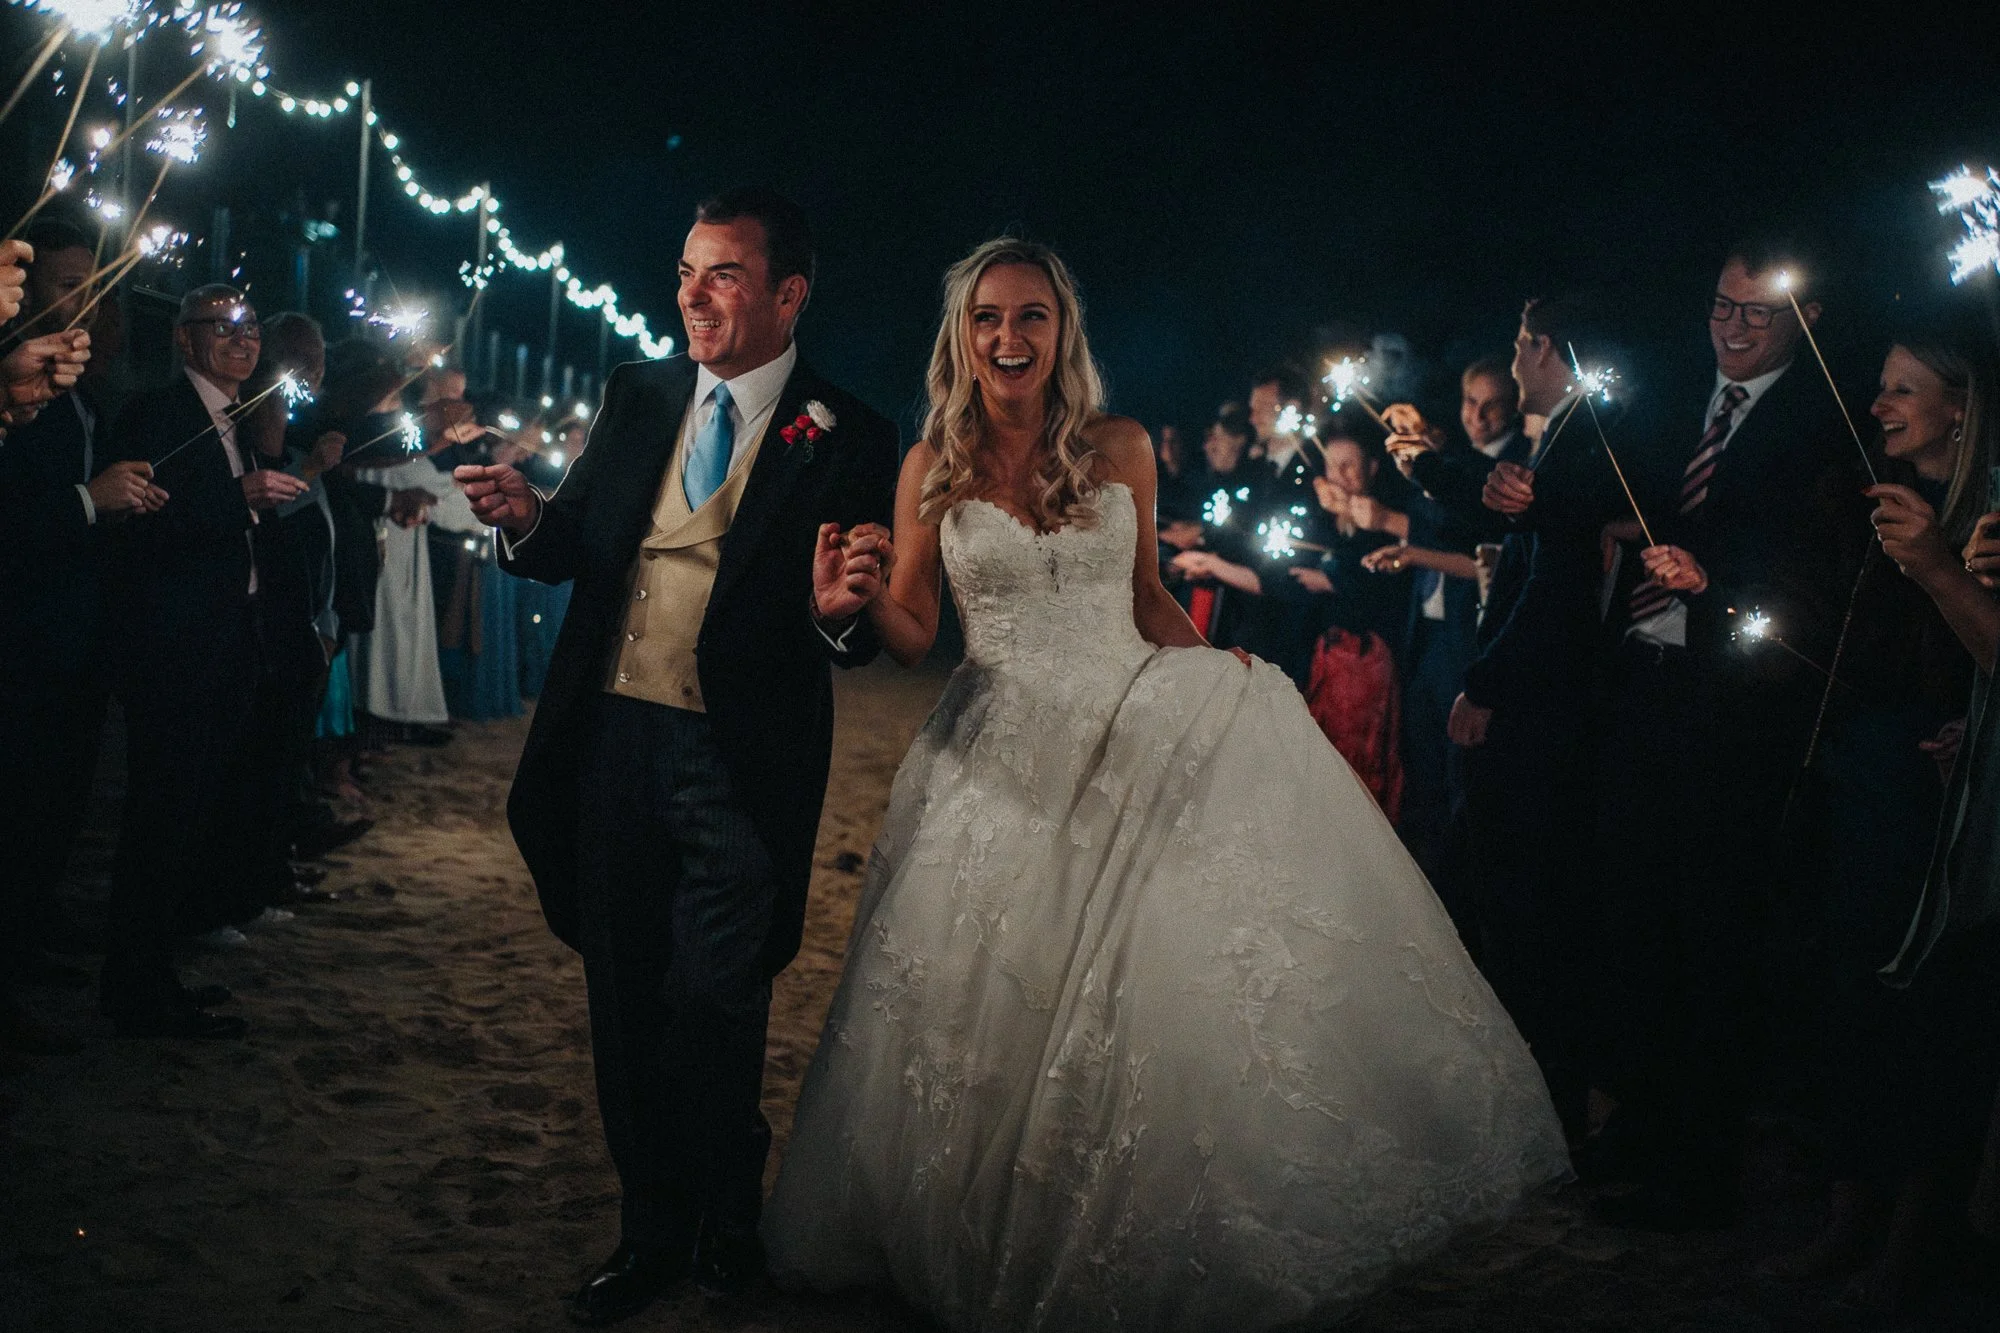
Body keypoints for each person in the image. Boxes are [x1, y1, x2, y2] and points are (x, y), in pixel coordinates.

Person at [763, 238, 1568, 1331]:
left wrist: (1211, 678)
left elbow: (1143, 593)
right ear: (962, 335)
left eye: (1032, 316)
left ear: (1062, 330)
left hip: (1131, 731)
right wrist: (846, 604)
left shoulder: (1120, 445)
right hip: (993, 751)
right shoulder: (928, 465)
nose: (1009, 338)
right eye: (988, 318)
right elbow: (913, 632)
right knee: (984, 1000)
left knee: (1137, 995)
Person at [454, 187, 899, 1325]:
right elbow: (579, 553)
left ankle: (725, 1203)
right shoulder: (639, 393)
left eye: (723, 275)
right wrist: (522, 517)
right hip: (610, 744)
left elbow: (841, 626)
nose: (691, 296)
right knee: (625, 1003)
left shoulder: (846, 431)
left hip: (736, 764)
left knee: (714, 998)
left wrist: (838, 608)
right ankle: (649, 1230)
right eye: (686, 272)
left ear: (787, 294)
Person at [1588, 243, 1854, 1231]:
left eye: (1755, 315)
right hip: (1641, 686)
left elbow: (1815, 575)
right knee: (1636, 920)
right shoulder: (1672, 404)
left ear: (1807, 319)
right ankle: (1643, 1124)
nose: (1731, 330)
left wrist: (1715, 580)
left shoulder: (1822, 425)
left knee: (1711, 940)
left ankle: (1697, 1171)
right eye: (1719, 308)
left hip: (1734, 713)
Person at [99, 286, 305, 1037]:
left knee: (190, 819)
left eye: (250, 326)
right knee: (159, 819)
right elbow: (135, 527)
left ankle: (157, 972)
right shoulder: (157, 415)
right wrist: (237, 494)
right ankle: (135, 986)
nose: (241, 338)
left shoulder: (238, 421)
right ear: (184, 340)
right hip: (175, 648)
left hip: (229, 642)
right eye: (221, 326)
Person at [0, 222, 150, 990]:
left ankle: (30, 947)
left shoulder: (84, 394)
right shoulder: (16, 389)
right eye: (66, 284)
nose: (84, 300)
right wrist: (90, 502)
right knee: (19, 816)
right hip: (24, 642)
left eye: (95, 284)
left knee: (56, 809)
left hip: (76, 638)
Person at [1382, 358, 1530, 877]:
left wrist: (1410, 550)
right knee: (1418, 753)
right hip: (1427, 626)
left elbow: (1485, 549)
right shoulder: (1455, 457)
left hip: (1470, 632)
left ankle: (1450, 884)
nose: (1480, 416)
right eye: (1472, 402)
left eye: (1494, 405)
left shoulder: (1518, 465)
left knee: (1455, 768)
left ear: (1514, 408)